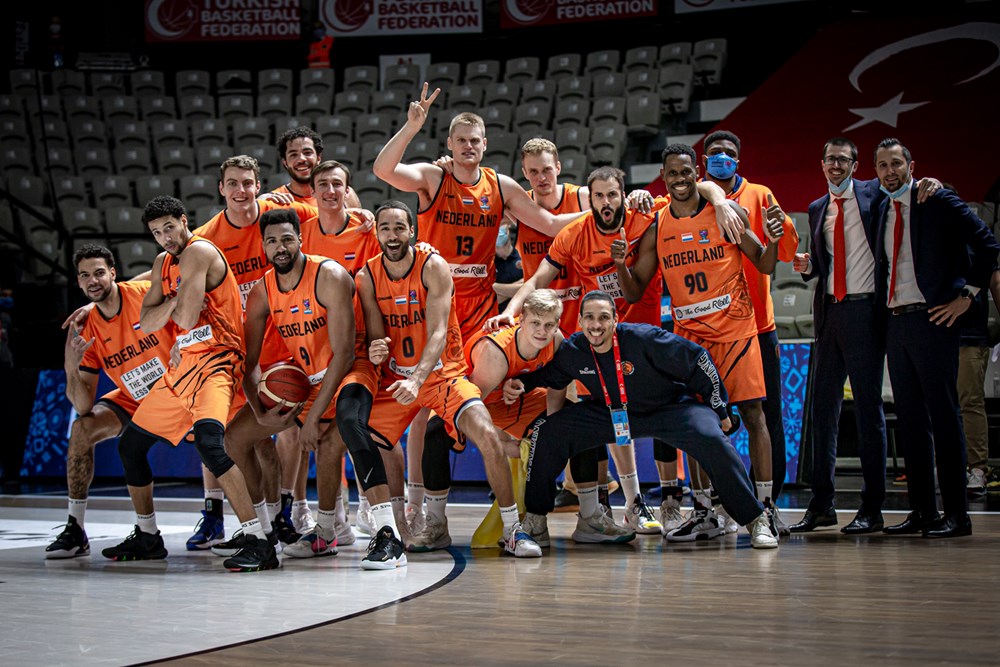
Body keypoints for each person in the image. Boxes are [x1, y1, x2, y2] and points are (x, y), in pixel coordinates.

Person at [371, 84, 582, 536]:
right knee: (424, 410)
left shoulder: (501, 186)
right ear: (449, 145)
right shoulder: (433, 177)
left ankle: (517, 494)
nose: (468, 146)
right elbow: (383, 169)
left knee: (489, 403)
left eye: (476, 140)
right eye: (461, 140)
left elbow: (547, 223)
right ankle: (418, 506)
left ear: (486, 144)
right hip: (434, 309)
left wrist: (611, 208)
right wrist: (410, 128)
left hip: (482, 310)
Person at [492, 165, 737, 535]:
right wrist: (511, 311)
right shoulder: (575, 233)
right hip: (599, 345)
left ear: (624, 193)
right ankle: (627, 502)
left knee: (663, 418)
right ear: (588, 198)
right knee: (607, 425)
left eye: (612, 194)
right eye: (598, 196)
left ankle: (672, 500)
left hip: (645, 344)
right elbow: (539, 278)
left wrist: (719, 200)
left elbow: (691, 185)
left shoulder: (644, 212)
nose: (606, 202)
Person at [509, 291, 778, 549]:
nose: (596, 325)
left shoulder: (645, 338)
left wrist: (719, 409)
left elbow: (699, 360)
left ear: (615, 320)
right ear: (580, 322)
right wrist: (520, 382)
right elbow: (549, 376)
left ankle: (756, 519)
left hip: (669, 409)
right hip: (614, 413)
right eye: (589, 318)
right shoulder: (574, 350)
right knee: (549, 432)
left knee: (710, 437)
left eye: (603, 317)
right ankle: (535, 520)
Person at [101, 195, 278, 572]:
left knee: (214, 446)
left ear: (184, 221)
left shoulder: (198, 251)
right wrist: (174, 301)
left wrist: (168, 304)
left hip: (219, 360)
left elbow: (184, 316)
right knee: (130, 447)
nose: (165, 237)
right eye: (156, 232)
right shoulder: (163, 263)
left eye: (169, 227)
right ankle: (148, 535)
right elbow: (147, 322)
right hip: (183, 365)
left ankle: (259, 540)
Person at [616, 144, 783, 541]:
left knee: (755, 416)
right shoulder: (658, 225)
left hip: (736, 330)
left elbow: (763, 263)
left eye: (686, 172)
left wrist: (772, 239)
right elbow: (636, 291)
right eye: (671, 173)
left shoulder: (724, 212)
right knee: (696, 425)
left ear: (697, 174)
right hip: (690, 340)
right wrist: (620, 263)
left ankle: (766, 508)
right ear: (663, 175)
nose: (679, 179)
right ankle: (708, 509)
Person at [356, 199, 529, 557]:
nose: (392, 235)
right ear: (376, 232)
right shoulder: (366, 276)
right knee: (372, 440)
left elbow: (437, 333)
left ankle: (513, 530)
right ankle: (399, 525)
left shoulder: (433, 266)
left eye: (399, 228)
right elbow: (377, 333)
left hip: (439, 375)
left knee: (485, 433)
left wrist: (418, 379)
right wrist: (377, 348)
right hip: (396, 378)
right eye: (385, 228)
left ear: (412, 232)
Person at [873, 138, 998, 538]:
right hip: (897, 322)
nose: (889, 171)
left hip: (935, 319)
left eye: (896, 163)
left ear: (912, 165)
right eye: (881, 166)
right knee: (910, 422)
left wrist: (967, 296)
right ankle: (923, 512)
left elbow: (989, 245)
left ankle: (958, 516)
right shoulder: (880, 208)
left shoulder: (937, 199)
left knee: (945, 416)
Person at [227, 208, 368, 561]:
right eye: (272, 241)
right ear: (263, 246)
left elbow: (345, 353)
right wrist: (259, 411)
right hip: (304, 383)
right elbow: (249, 361)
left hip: (348, 376)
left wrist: (313, 415)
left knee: (328, 443)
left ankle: (328, 529)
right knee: (235, 438)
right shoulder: (262, 291)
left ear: (300, 239)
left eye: (287, 238)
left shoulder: (328, 275)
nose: (280, 247)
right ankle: (264, 527)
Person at [193, 154, 316, 551]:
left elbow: (330, 209)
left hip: (286, 344)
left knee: (285, 432)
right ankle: (252, 521)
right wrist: (119, 289)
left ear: (258, 186)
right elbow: (166, 266)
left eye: (247, 182)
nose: (241, 190)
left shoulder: (283, 213)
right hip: (238, 348)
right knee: (236, 437)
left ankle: (282, 512)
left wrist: (361, 214)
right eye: (233, 183)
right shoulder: (207, 237)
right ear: (221, 188)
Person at [46, 245, 175, 559]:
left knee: (222, 443)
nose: (93, 281)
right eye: (86, 275)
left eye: (99, 273)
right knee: (81, 430)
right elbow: (83, 406)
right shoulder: (85, 330)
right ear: (78, 282)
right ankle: (76, 529)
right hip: (133, 399)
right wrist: (69, 366)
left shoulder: (143, 294)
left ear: (113, 274)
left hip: (175, 391)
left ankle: (254, 523)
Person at [419, 289, 568, 555]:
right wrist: (504, 442)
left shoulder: (557, 341)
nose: (542, 331)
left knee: (578, 422)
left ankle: (569, 517)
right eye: (535, 323)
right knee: (435, 432)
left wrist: (551, 438)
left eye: (549, 324)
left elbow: (556, 399)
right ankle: (436, 522)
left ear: (557, 324)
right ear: (521, 319)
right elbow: (474, 409)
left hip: (518, 400)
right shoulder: (495, 353)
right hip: (476, 396)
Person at [699, 130, 798, 530]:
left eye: (729, 153)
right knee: (709, 418)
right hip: (713, 329)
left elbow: (785, 250)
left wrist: (783, 226)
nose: (722, 158)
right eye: (714, 153)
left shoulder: (760, 194)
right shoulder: (696, 198)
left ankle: (768, 503)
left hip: (759, 326)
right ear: (704, 160)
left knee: (765, 415)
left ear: (740, 160)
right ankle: (717, 504)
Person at [273, 125, 362, 209]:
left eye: (307, 153)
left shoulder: (344, 195)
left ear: (319, 157)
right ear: (285, 162)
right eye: (293, 155)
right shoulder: (275, 200)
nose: (301, 159)